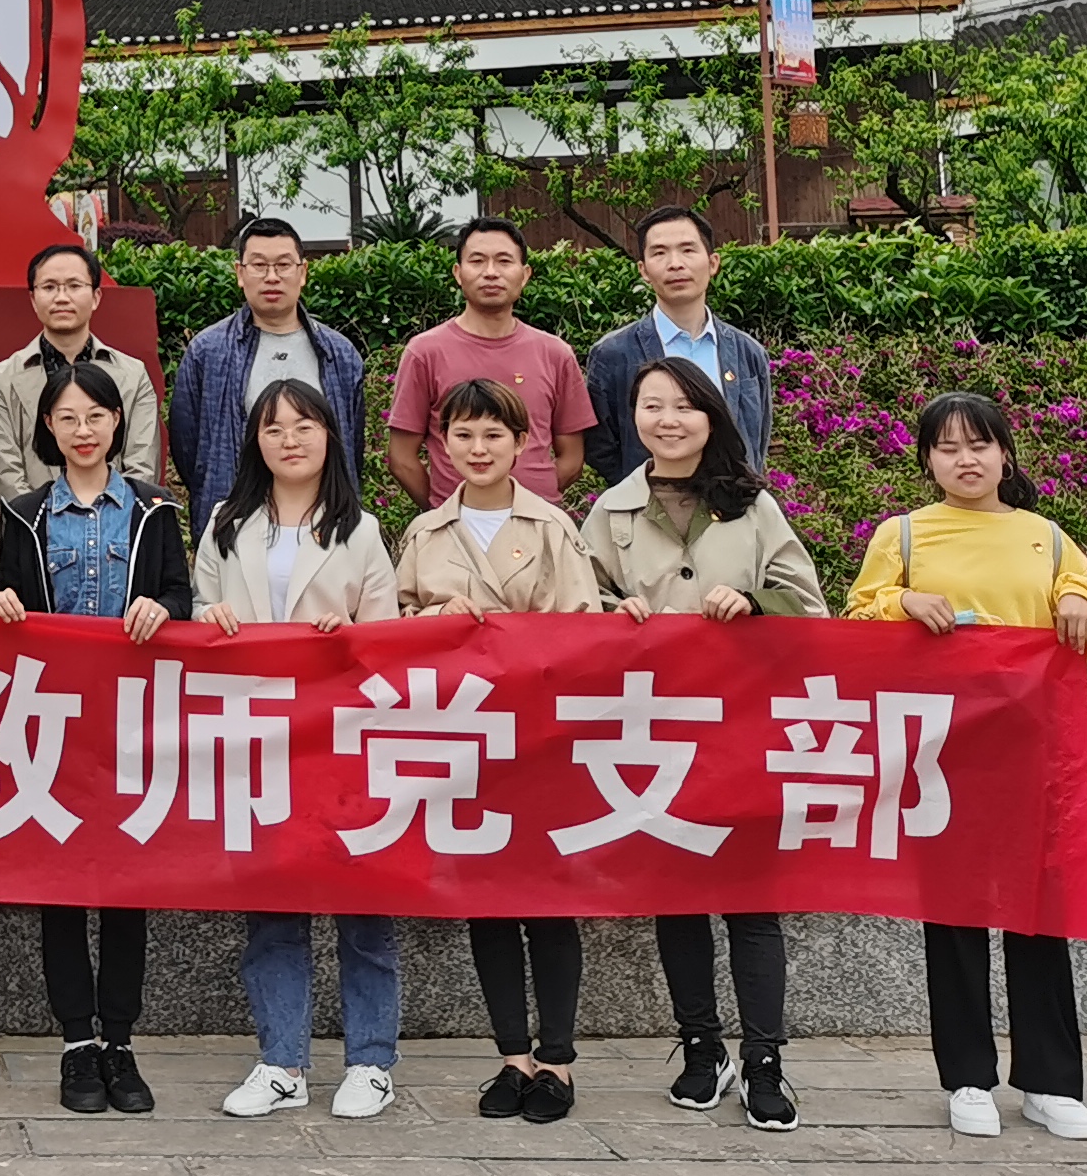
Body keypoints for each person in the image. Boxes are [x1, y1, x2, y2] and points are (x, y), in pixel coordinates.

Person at [847, 390, 1087, 1143]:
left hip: (1031, 757)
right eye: (948, 448)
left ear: (1005, 455)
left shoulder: (1046, 539)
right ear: (926, 461)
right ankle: (966, 1076)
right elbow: (857, 619)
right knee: (954, 919)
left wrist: (1075, 598)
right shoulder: (903, 535)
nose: (966, 460)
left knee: (1040, 918)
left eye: (980, 445)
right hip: (942, 755)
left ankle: (1051, 1082)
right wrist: (903, 604)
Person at [578, 358, 826, 1132]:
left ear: (711, 415)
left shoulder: (753, 506)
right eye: (651, 406)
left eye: (684, 406)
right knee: (676, 896)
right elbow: (575, 608)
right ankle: (700, 1046)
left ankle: (764, 1060)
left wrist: (754, 600)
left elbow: (810, 607)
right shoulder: (611, 511)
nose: (668, 420)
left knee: (753, 902)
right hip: (654, 731)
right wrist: (612, 614)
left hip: (744, 728)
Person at [193, 378, 405, 1122]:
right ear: (255, 441)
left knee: (362, 906)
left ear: (329, 436)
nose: (289, 439)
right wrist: (209, 616)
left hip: (343, 741)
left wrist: (348, 640)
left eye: (304, 425)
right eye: (274, 427)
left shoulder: (362, 530)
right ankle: (281, 1061)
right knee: (272, 910)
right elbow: (200, 608)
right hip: (258, 737)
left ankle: (371, 1062)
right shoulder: (227, 522)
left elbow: (387, 640)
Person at [0, 359, 188, 1115]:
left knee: (127, 886)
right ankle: (77, 1041)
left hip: (132, 722)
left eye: (96, 416)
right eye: (67, 417)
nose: (82, 430)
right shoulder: (23, 516)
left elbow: (180, 594)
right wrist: (4, 604)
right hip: (53, 725)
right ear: (47, 426)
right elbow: (3, 598)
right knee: (63, 888)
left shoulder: (155, 510)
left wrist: (164, 610)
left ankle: (121, 1042)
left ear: (117, 423)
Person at [396, 378, 598, 1121]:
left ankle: (558, 1060)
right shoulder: (425, 533)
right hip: (462, 737)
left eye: (493, 436)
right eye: (463, 435)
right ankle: (512, 1056)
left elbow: (584, 630)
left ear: (522, 443)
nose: (478, 449)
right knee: (486, 901)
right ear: (441, 445)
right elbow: (393, 630)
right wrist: (434, 621)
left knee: (548, 902)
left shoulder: (552, 527)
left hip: (539, 740)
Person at [167, 219, 367, 516]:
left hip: (324, 517)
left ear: (303, 272)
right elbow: (187, 448)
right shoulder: (207, 352)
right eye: (259, 265)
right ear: (240, 273)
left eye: (283, 265)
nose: (271, 277)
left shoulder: (339, 354)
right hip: (235, 517)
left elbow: (351, 445)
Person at [383, 220, 589, 508]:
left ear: (525, 275)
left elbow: (573, 458)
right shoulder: (425, 352)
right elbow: (402, 459)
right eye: (477, 261)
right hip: (455, 524)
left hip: (537, 522)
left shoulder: (555, 354)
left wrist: (532, 502)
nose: (491, 272)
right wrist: (444, 510)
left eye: (504, 261)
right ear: (458, 273)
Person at [581, 204, 772, 482]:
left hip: (733, 500)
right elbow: (601, 448)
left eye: (688, 250)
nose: (675, 264)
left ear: (713, 263)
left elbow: (758, 439)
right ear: (643, 270)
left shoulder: (748, 352)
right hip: (651, 501)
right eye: (659, 253)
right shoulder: (613, 354)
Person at [0, 241, 161, 506]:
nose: (61, 297)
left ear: (96, 297)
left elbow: (142, 467)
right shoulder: (2, 379)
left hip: (120, 526)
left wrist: (108, 520)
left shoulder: (132, 375)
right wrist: (45, 522)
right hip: (31, 526)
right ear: (33, 299)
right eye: (49, 287)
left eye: (74, 286)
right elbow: (3, 474)